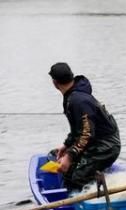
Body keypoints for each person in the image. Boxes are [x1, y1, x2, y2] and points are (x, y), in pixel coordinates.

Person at [49, 62, 121, 191]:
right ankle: (76, 199)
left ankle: (92, 205)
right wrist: (67, 145)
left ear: (54, 83)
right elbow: (79, 129)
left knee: (78, 178)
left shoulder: (78, 100)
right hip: (94, 142)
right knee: (68, 174)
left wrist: (69, 156)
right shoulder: (72, 96)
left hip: (106, 146)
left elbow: (87, 133)